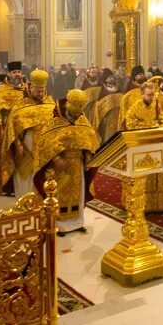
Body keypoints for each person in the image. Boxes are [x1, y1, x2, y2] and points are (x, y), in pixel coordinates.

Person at [34, 89, 100, 234]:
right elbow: (45, 143)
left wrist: (89, 157)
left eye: (79, 113)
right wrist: (56, 158)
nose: (77, 116)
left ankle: (77, 223)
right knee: (60, 195)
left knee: (79, 194)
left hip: (77, 164)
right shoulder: (55, 121)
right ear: (69, 107)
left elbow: (90, 140)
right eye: (75, 113)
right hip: (59, 168)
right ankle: (60, 224)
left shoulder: (81, 119)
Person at [3, 70, 56, 197]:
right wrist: (18, 144)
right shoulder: (21, 105)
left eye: (43, 91)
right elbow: (12, 127)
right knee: (25, 174)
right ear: (30, 87)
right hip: (26, 144)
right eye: (38, 91)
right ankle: (24, 201)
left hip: (44, 146)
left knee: (42, 173)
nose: (41, 94)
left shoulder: (50, 103)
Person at [121, 76, 163, 212]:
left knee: (155, 176)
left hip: (154, 146)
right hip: (140, 147)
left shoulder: (156, 106)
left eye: (153, 95)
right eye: (149, 95)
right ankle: (140, 204)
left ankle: (155, 205)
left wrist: (159, 126)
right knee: (142, 178)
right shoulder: (135, 108)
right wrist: (148, 126)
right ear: (142, 94)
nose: (151, 97)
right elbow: (130, 125)